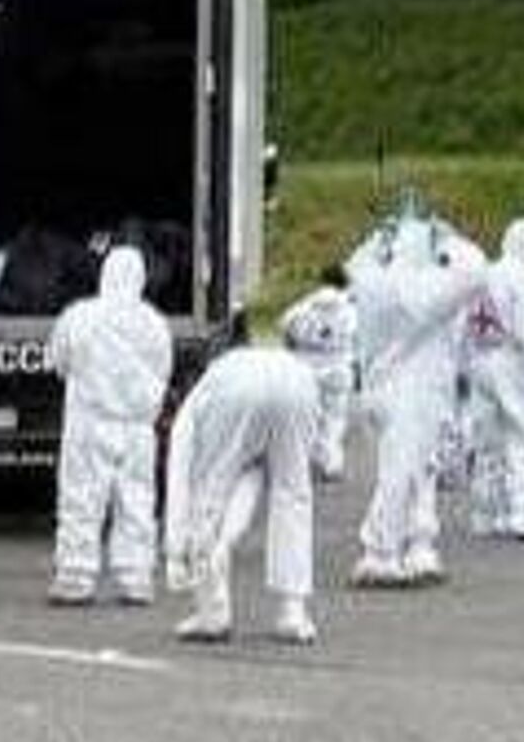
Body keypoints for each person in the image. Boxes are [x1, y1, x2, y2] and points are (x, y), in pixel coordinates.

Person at [352, 217, 488, 588]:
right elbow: (474, 272)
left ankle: (419, 543)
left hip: (379, 384)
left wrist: (377, 241)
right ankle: (381, 551)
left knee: (418, 469)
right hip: (414, 388)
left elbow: (357, 262)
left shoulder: (372, 280)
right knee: (403, 472)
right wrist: (449, 241)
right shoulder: (420, 292)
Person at [164, 342, 323, 645]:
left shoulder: (203, 395)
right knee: (293, 494)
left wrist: (176, 551)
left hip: (235, 392)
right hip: (298, 382)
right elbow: (253, 479)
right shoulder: (261, 363)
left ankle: (212, 609)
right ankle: (293, 612)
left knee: (209, 491)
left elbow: (182, 472)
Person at [46, 244, 174, 607]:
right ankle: (135, 578)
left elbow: (59, 361)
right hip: (137, 428)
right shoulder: (155, 323)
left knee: (81, 498)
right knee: (137, 500)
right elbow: (164, 370)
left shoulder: (80, 316)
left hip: (89, 422)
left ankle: (76, 575)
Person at [463, 221, 524, 540]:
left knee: (487, 440)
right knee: (522, 436)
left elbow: (463, 324)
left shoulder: (483, 275)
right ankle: (523, 514)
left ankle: (485, 514)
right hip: (510, 361)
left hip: (479, 360)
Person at [279, 267, 359, 483]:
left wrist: (295, 347)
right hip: (338, 369)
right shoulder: (351, 310)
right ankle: (330, 465)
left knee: (305, 418)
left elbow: (285, 328)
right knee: (333, 419)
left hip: (306, 369)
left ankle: (301, 464)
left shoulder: (303, 307)